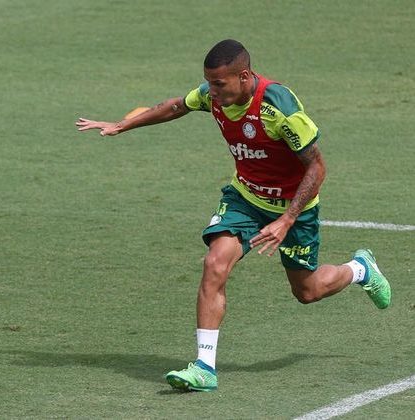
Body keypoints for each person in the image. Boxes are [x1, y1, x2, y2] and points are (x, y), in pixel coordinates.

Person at [76, 39, 391, 392]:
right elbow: (176, 106)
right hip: (245, 199)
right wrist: (124, 124)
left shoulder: (279, 107)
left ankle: (361, 269)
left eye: (218, 83)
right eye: (208, 83)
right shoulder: (213, 96)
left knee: (308, 291)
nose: (211, 91)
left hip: (293, 208)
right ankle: (204, 367)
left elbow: (317, 167)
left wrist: (287, 219)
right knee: (215, 263)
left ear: (243, 76)